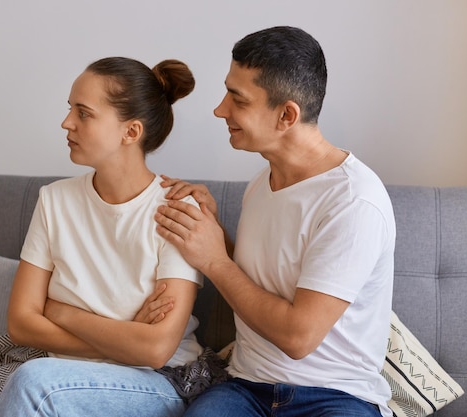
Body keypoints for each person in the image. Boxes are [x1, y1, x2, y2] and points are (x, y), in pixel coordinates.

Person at [154, 26, 396, 417]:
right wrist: (215, 236)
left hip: (335, 396)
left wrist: (214, 260)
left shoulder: (353, 201)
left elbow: (297, 336)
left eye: (238, 99)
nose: (220, 110)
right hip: (246, 388)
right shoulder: (263, 182)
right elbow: (260, 278)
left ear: (287, 115)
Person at [0, 57, 203, 417]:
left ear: (130, 132)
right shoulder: (54, 199)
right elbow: (21, 323)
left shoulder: (176, 209)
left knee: (32, 382)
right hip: (66, 373)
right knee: (36, 379)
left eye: (83, 113)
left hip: (155, 379)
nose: (66, 122)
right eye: (70, 109)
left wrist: (59, 312)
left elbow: (154, 350)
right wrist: (126, 335)